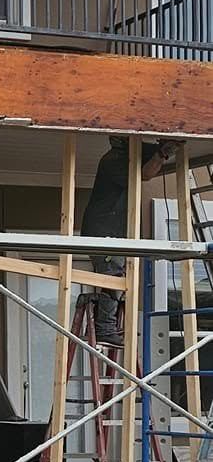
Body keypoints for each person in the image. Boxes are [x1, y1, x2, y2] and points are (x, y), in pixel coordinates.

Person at [80, 138, 171, 343]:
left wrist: (161, 149)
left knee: (115, 278)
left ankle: (105, 324)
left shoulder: (129, 154)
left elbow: (150, 155)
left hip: (113, 232)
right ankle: (104, 328)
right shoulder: (113, 160)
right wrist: (163, 153)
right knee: (114, 276)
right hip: (102, 232)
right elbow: (145, 174)